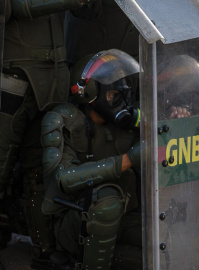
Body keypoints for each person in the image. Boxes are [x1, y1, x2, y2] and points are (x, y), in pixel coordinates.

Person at [0, 0, 94, 267]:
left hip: (53, 77)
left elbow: (88, 13)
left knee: (41, 170)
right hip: (14, 73)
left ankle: (43, 247)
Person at [40, 49, 142, 269]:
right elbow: (63, 177)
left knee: (166, 239)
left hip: (122, 215)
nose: (122, 101)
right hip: (74, 220)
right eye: (114, 94)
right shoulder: (64, 120)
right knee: (107, 200)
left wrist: (175, 117)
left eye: (125, 93)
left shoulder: (127, 121)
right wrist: (127, 160)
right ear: (90, 93)